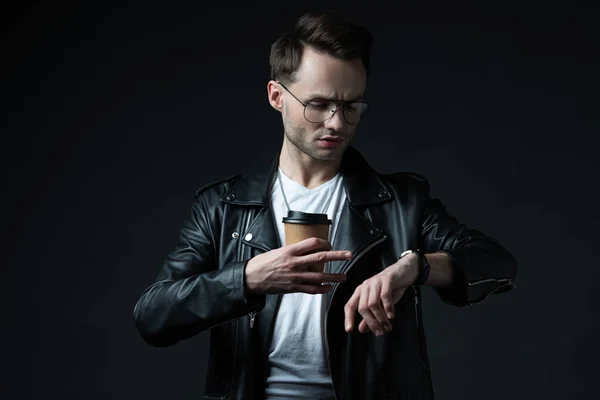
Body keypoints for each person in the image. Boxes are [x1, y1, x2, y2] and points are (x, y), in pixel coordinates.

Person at [132, 10, 517, 400]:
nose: (337, 122)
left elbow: (497, 264)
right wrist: (245, 279)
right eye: (319, 104)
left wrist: (415, 266)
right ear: (276, 96)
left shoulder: (401, 202)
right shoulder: (224, 206)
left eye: (352, 105)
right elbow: (153, 316)